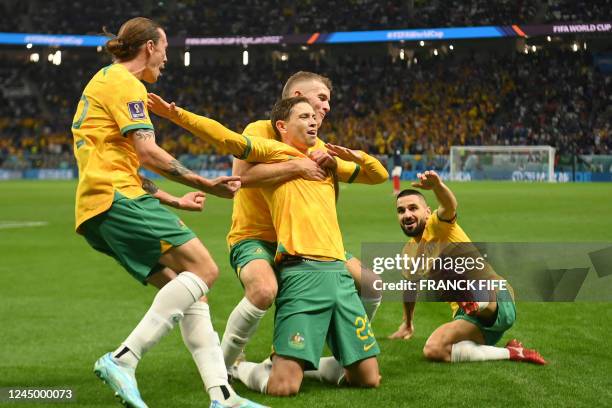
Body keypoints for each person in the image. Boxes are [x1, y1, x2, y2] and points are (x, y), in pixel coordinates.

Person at [71, 17, 265, 408]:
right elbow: (147, 153)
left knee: (193, 295)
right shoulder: (126, 83)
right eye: (165, 50)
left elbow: (121, 162)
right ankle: (123, 359)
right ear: (149, 48)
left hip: (99, 206)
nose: (166, 59)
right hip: (117, 199)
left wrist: (175, 201)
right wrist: (203, 183)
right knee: (205, 270)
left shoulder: (103, 82)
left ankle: (221, 395)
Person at [147, 95, 383, 395]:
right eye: (305, 115)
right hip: (302, 273)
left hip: (338, 273)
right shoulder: (273, 152)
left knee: (369, 379)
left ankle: (316, 364)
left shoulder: (325, 157)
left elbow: (379, 175)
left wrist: (349, 157)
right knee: (283, 387)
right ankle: (236, 367)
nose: (315, 120)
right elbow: (226, 139)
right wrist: (176, 114)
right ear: (282, 126)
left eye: (316, 115)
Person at [219, 71, 384, 373]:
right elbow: (240, 178)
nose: (327, 106)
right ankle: (225, 366)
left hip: (305, 242)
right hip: (256, 237)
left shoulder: (318, 145)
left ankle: (342, 356)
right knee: (263, 290)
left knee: (372, 284)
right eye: (321, 98)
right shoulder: (259, 129)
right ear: (296, 98)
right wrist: (297, 165)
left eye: (328, 101)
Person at [388, 170, 546, 365]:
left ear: (427, 212)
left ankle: (474, 299)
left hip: (497, 299)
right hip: (471, 322)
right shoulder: (409, 253)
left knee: (442, 266)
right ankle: (512, 352)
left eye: (413, 208)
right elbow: (410, 287)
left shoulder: (438, 224)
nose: (407, 215)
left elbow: (449, 205)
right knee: (434, 349)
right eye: (401, 211)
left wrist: (437, 186)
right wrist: (408, 323)